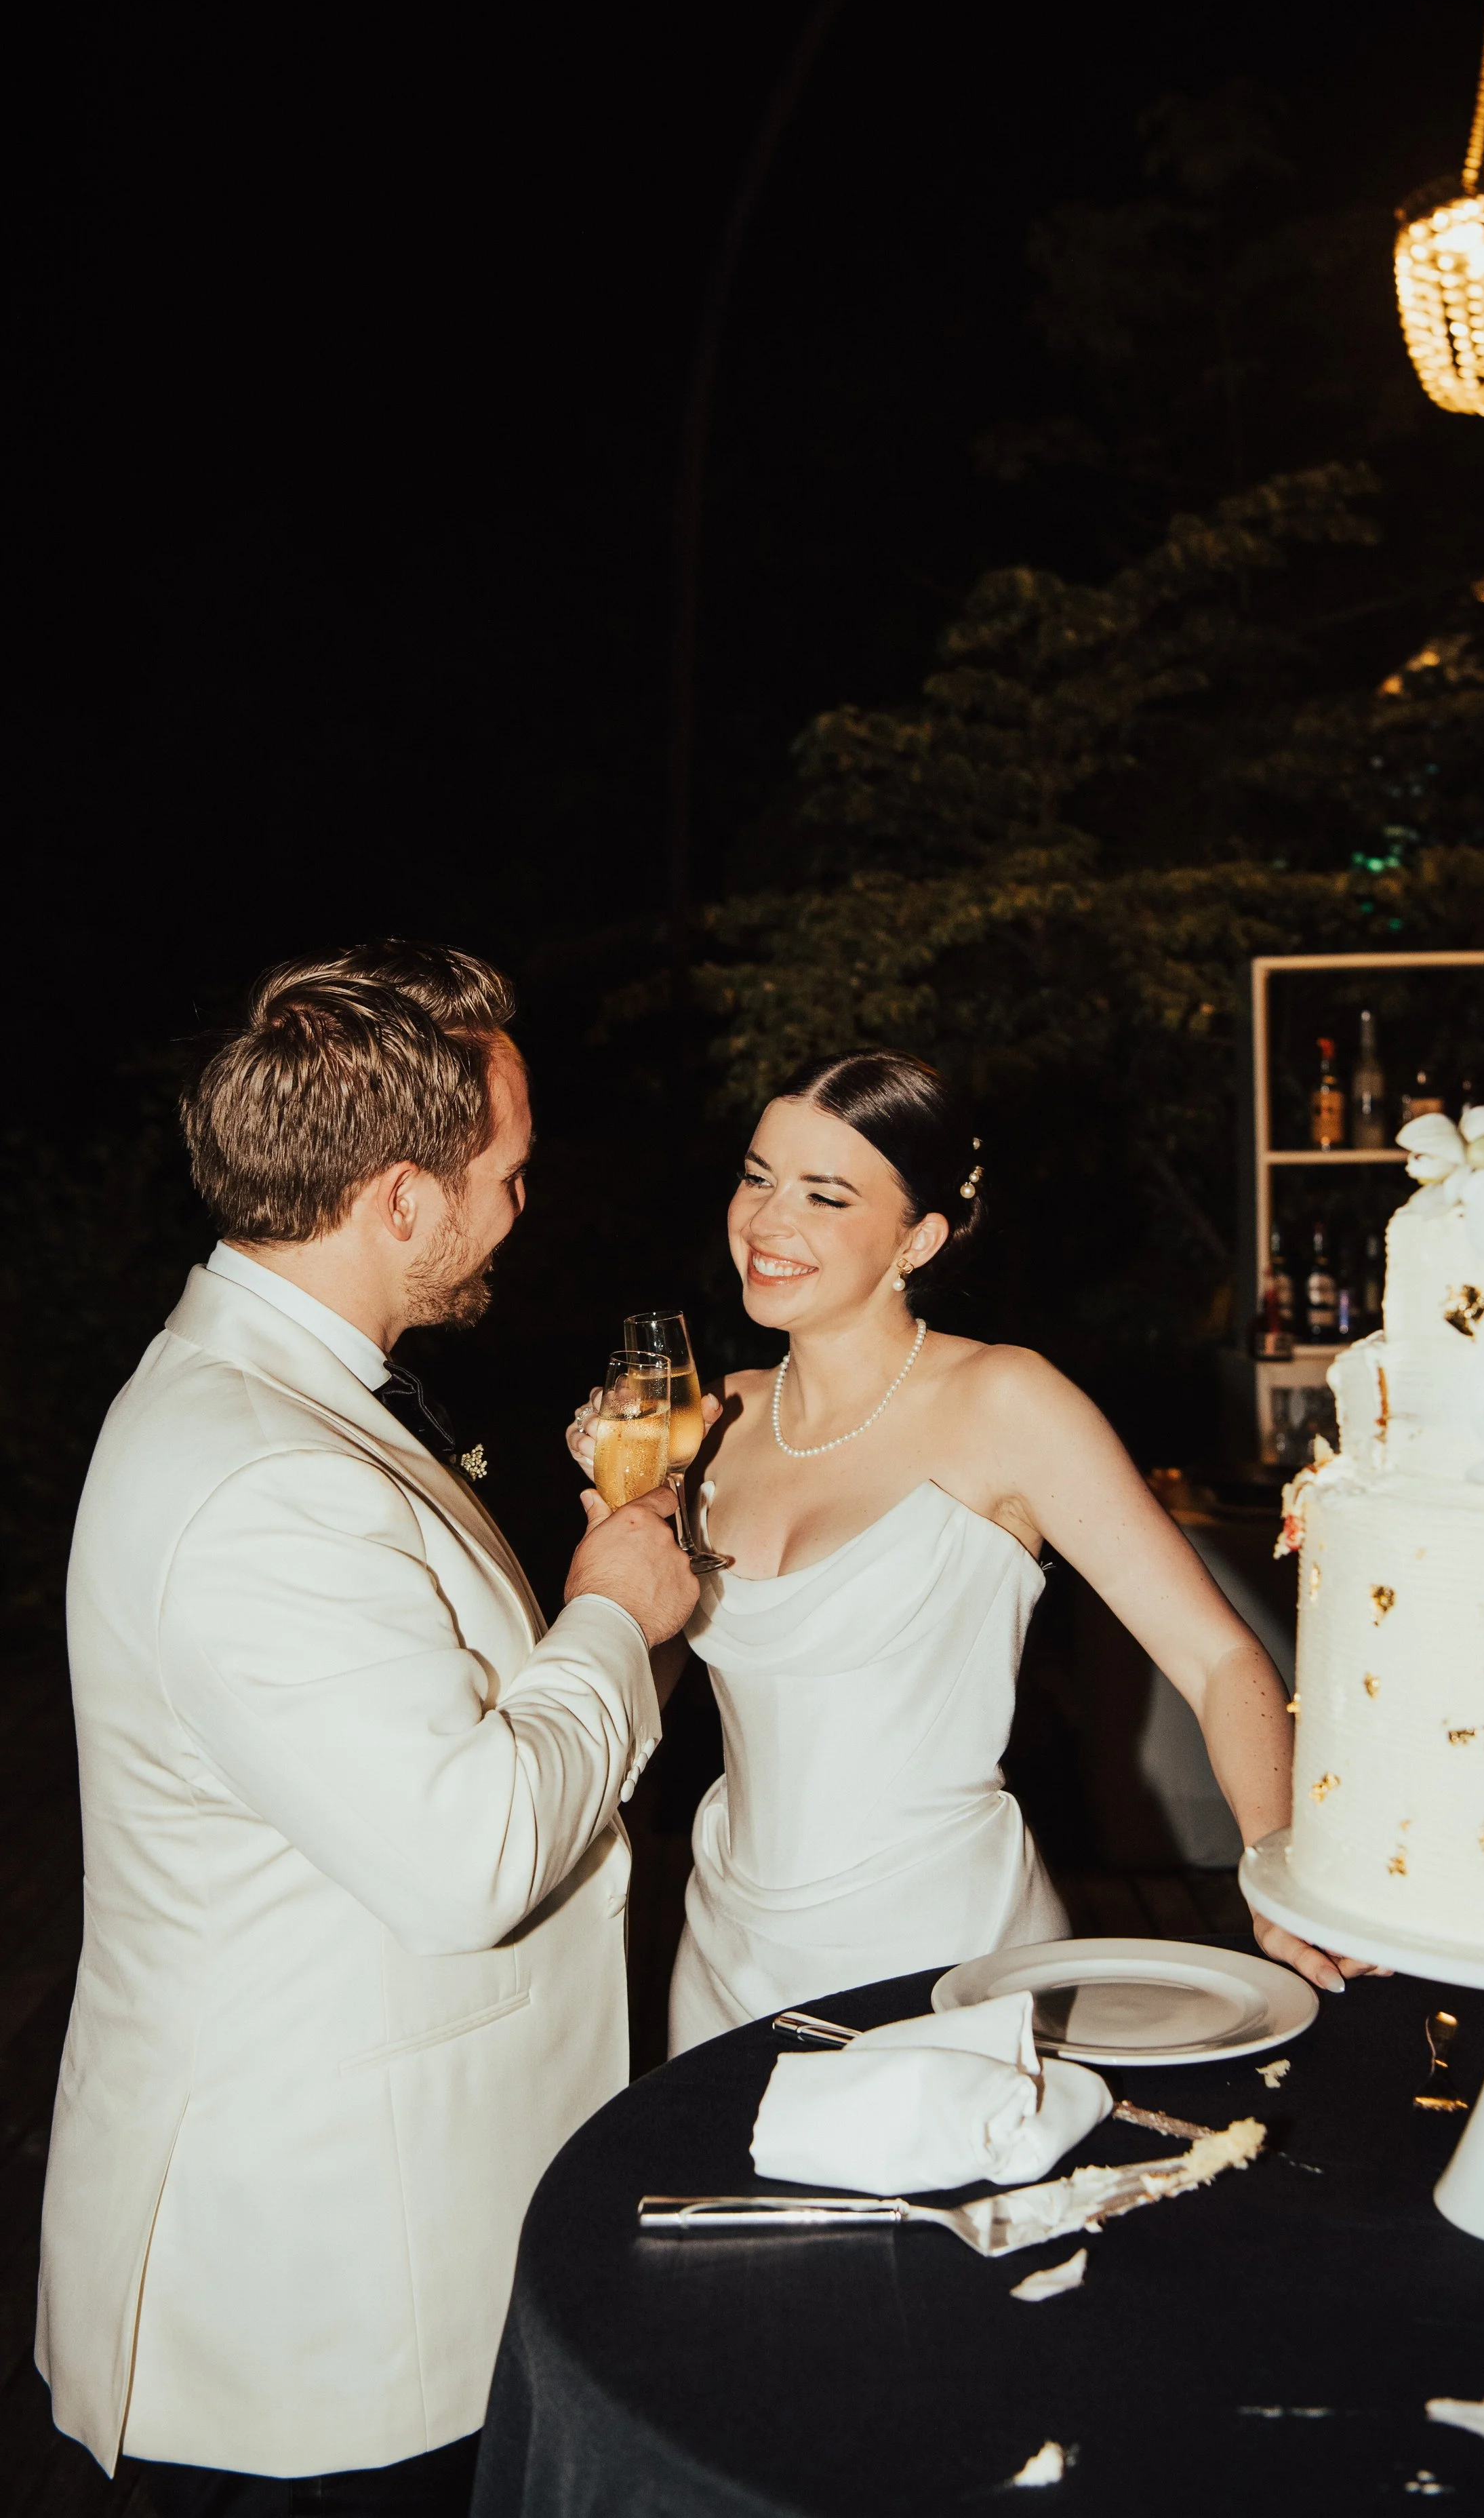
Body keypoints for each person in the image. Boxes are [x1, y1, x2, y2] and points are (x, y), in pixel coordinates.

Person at [37, 942, 696, 2518]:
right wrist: (607, 1609)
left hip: (366, 2252)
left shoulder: (270, 1386)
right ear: (401, 1199)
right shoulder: (266, 1473)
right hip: (315, 2310)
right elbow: (465, 1860)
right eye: (506, 1175)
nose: (521, 1207)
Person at [568, 1048, 1380, 2053]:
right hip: (728, 1950)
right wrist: (621, 1526)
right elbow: (648, 1686)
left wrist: (1277, 1863)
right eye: (757, 1176)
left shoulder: (1006, 1401)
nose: (769, 1223)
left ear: (919, 1238)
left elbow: (1218, 1658)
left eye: (826, 1196)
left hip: (947, 1954)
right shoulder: (709, 1418)